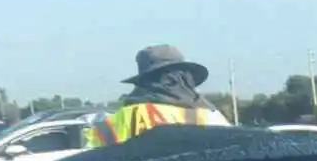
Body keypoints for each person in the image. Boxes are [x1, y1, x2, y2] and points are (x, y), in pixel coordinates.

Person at [82, 45, 229, 148]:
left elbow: (91, 160)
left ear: (144, 81)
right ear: (187, 78)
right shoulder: (209, 116)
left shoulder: (122, 119)